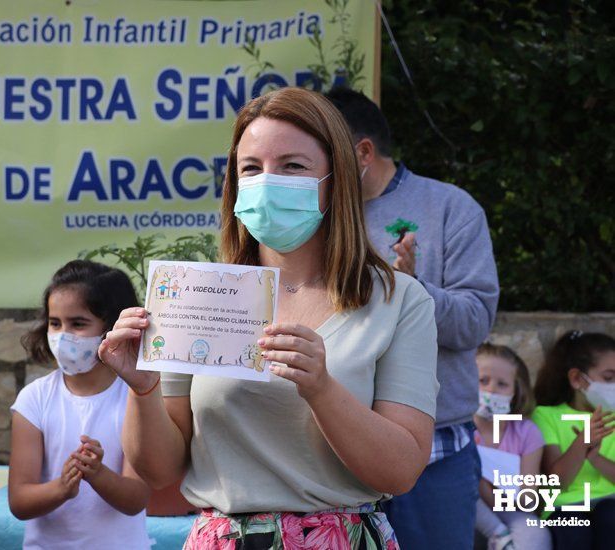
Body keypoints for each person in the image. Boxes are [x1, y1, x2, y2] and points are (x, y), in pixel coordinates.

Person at [99, 87, 439, 549]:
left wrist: (322, 389)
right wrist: (144, 389)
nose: (267, 182)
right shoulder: (197, 295)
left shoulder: (400, 300)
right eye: (251, 169)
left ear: (334, 179)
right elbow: (158, 471)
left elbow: (400, 471)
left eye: (293, 166)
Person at [327, 87, 500, 549]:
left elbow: (475, 322)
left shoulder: (451, 208)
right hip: (331, 448)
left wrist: (413, 290)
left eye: (324, 151)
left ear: (362, 151)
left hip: (435, 453)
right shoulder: (316, 216)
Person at [8, 260, 151, 550]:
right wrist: (62, 487)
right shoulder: (34, 399)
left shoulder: (135, 397)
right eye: (55, 323)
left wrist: (98, 474)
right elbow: (19, 501)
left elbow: (137, 498)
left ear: (111, 327)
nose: (63, 336)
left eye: (78, 324)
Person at [532, 330, 615, 549]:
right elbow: (556, 484)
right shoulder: (545, 416)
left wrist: (596, 459)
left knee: (610, 516)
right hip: (565, 507)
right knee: (573, 526)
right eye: (608, 377)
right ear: (577, 379)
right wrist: (583, 442)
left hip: (611, 504)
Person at [472, 343, 551, 550]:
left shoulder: (526, 432)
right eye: (483, 381)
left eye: (502, 384)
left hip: (509, 511)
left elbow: (528, 499)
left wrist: (492, 489)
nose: (491, 390)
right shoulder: (458, 428)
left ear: (516, 391)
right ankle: (499, 535)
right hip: (463, 509)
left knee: (535, 534)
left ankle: (502, 538)